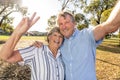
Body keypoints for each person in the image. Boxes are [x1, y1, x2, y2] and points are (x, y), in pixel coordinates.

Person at [33, 1, 120, 80]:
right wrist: (39, 45)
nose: (64, 26)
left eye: (66, 22)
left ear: (74, 23)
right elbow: (48, 51)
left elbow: (111, 25)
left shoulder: (87, 35)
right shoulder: (59, 42)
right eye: (61, 24)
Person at [0, 12, 65, 80]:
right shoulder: (37, 50)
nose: (57, 38)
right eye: (55, 35)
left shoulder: (62, 55)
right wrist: (18, 33)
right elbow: (5, 57)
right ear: (49, 37)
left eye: (60, 36)